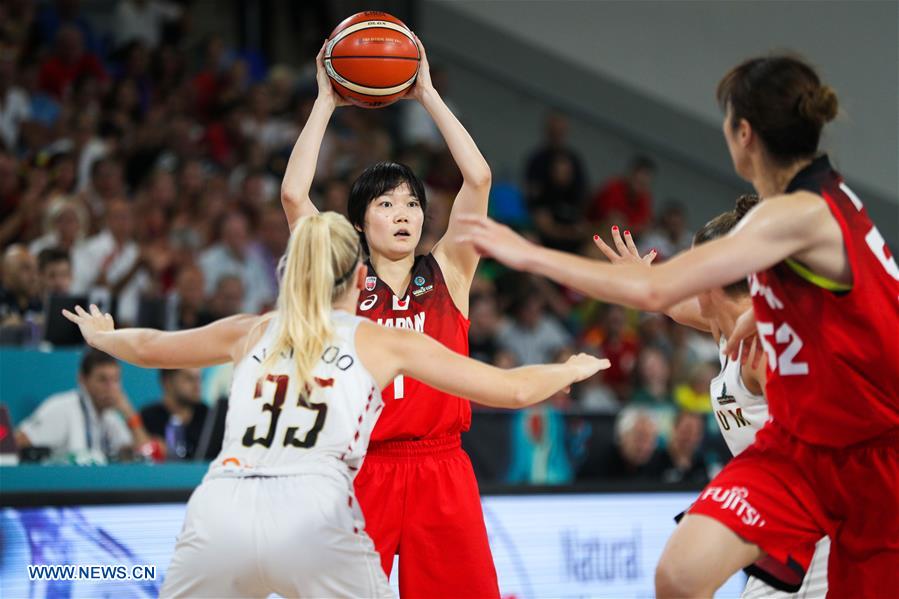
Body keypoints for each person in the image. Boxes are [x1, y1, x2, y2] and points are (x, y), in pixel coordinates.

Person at [457, 55, 899, 597]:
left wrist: (528, 254)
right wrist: (763, 315)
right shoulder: (812, 209)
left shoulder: (798, 215)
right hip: (803, 452)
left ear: (743, 133)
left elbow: (657, 292)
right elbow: (686, 302)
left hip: (866, 463)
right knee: (678, 575)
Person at [61, 211, 607, 597]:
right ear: (361, 278)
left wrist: (104, 337)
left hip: (220, 508)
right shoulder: (378, 340)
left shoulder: (251, 330)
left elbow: (153, 348)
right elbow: (508, 389)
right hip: (311, 516)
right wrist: (569, 369)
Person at [280, 39, 502, 596]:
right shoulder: (343, 282)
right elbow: (292, 195)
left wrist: (426, 94)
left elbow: (478, 180)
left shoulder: (450, 272)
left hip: (441, 468)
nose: (403, 214)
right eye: (386, 204)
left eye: (411, 203)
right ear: (358, 224)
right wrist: (325, 102)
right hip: (364, 469)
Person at [596, 196, 830, 596]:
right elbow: (667, 302)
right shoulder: (725, 321)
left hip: (815, 526)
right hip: (781, 519)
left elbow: (822, 436)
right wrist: (640, 276)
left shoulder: (762, 345)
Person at [14, 349, 150, 463]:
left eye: (115, 380)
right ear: (82, 379)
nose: (111, 388)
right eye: (103, 380)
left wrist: (129, 413)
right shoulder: (62, 408)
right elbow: (15, 443)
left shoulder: (111, 417)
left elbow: (145, 453)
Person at [139, 368, 208, 460]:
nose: (197, 385)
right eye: (189, 379)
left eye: (199, 379)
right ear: (167, 382)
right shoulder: (147, 418)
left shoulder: (209, 416)